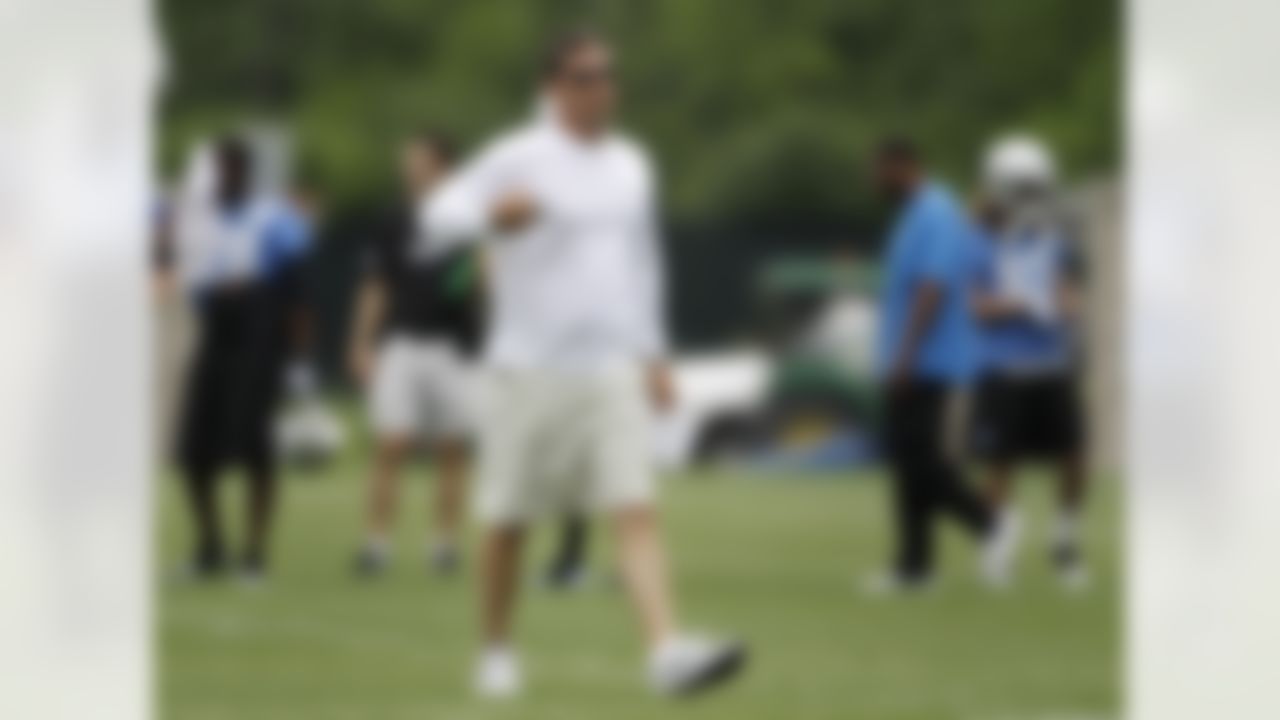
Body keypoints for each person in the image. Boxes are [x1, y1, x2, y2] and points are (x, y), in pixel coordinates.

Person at [420, 30, 745, 698]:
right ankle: (496, 650)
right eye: (586, 76)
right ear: (553, 87)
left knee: (635, 509)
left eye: (608, 74)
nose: (602, 86)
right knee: (509, 523)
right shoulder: (520, 154)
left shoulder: (632, 163)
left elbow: (644, 263)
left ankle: (664, 651)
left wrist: (654, 354)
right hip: (527, 371)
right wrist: (493, 215)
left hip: (610, 370)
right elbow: (439, 213)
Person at [868, 136, 1019, 592]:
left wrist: (906, 357)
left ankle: (991, 523)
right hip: (912, 362)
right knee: (908, 468)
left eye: (879, 171)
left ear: (903, 166)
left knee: (927, 467)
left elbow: (931, 288)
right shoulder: (915, 213)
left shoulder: (936, 211)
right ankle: (915, 568)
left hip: (929, 363)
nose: (873, 181)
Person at [173, 135, 314, 582]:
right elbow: (193, 282)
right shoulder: (200, 221)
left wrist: (297, 359)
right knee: (193, 449)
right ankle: (210, 545)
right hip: (217, 331)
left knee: (255, 447)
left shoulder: (275, 221)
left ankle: (254, 552)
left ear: (242, 172)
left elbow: (298, 296)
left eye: (225, 171)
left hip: (259, 333)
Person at [348, 132, 481, 577]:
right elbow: (376, 285)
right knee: (392, 442)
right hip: (401, 343)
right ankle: (376, 543)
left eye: (420, 161)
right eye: (408, 161)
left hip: (454, 346)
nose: (410, 169)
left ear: (444, 166)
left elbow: (484, 278)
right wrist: (362, 341)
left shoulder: (471, 220)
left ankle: (444, 544)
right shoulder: (394, 220)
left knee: (452, 446)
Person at [971, 135, 1089, 589]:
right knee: (1001, 463)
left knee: (1074, 458)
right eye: (1022, 190)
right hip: (1004, 368)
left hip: (1051, 366)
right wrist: (1022, 304)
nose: (1030, 200)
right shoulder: (980, 242)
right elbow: (977, 308)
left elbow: (1068, 290)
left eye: (1035, 189)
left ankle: (1065, 543)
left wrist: (1066, 304)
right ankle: (998, 551)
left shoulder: (1054, 240)